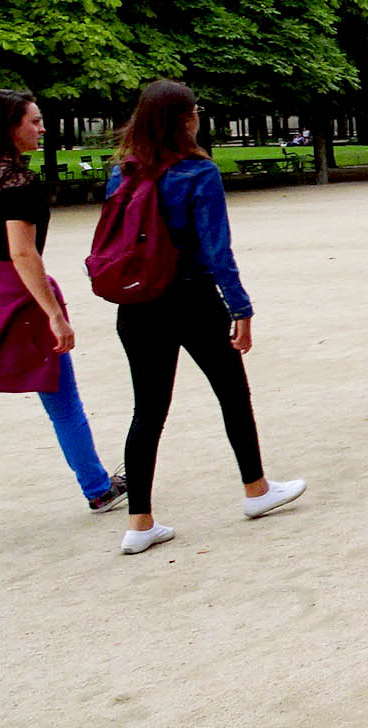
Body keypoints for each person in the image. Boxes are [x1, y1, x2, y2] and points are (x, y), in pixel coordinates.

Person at [0, 90, 126, 558]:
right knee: (62, 400)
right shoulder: (18, 183)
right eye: (34, 121)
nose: (42, 129)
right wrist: (54, 312)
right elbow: (21, 252)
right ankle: (97, 488)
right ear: (9, 127)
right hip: (17, 299)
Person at [106, 81, 306, 555]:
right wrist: (241, 308)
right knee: (232, 394)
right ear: (184, 118)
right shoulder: (198, 172)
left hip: (137, 304)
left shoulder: (122, 173)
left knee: (147, 411)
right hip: (192, 299)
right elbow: (217, 250)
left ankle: (139, 520)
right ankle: (255, 488)